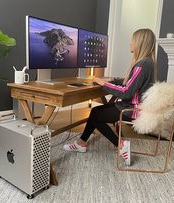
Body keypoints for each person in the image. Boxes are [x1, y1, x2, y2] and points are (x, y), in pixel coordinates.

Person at [63, 28, 156, 166]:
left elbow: (126, 92)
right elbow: (131, 83)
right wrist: (112, 79)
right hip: (134, 107)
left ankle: (121, 144)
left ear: (140, 43)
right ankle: (81, 143)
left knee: (95, 116)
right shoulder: (148, 63)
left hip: (132, 110)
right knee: (95, 112)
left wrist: (103, 83)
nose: (130, 43)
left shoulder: (142, 65)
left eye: (133, 40)